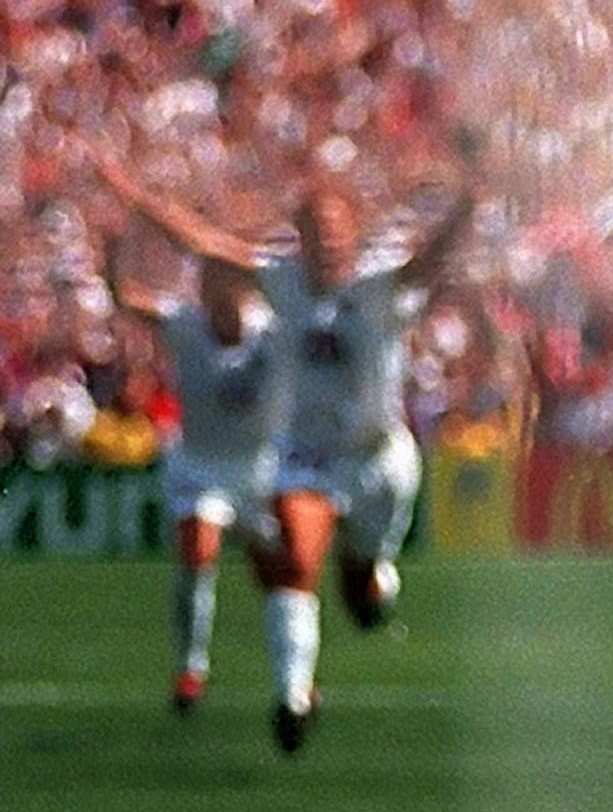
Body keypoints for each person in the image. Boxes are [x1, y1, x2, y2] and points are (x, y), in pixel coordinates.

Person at [87, 136, 478, 753]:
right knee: (296, 563)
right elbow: (203, 243)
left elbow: (432, 258)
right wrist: (133, 196)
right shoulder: (281, 282)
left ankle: (374, 575)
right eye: (315, 232)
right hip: (309, 459)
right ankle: (294, 698)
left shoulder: (380, 286)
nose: (327, 243)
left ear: (353, 235)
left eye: (336, 230)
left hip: (379, 460)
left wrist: (472, 198)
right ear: (301, 239)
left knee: (360, 591)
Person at [97, 229, 286, 713]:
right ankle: (191, 669)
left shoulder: (272, 330)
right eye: (207, 285)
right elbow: (126, 298)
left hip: (260, 469)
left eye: (224, 284)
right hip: (200, 465)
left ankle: (293, 674)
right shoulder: (185, 325)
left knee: (280, 575)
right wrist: (114, 251)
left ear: (242, 289)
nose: (213, 296)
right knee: (198, 551)